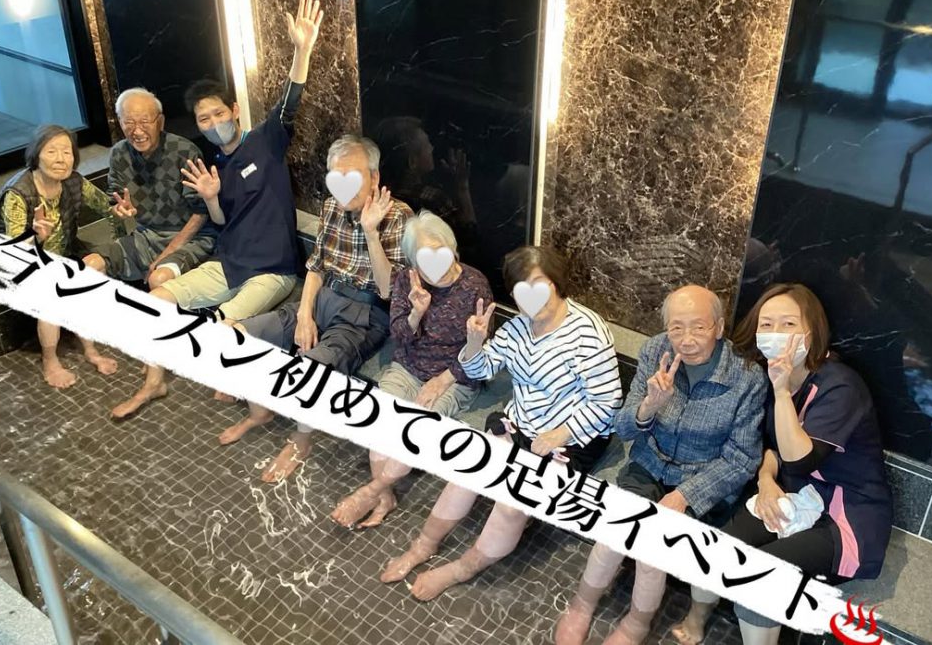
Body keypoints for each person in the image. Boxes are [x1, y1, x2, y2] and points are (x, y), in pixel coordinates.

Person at [108, 0, 323, 419]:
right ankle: (153, 383)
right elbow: (222, 221)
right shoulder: (212, 167)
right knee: (157, 298)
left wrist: (302, 49)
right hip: (229, 263)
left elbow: (291, 100)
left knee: (221, 329)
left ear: (235, 111)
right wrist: (210, 197)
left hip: (273, 270)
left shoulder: (264, 141)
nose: (212, 123)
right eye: (203, 119)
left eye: (218, 114)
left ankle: (256, 398)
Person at [380, 245, 623, 601]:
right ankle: (423, 545)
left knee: (511, 504)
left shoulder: (588, 332)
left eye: (540, 285)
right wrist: (474, 343)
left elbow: (608, 402)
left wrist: (560, 434)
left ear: (556, 283)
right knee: (469, 467)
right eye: (522, 290)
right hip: (520, 422)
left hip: (574, 436)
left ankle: (461, 568)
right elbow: (482, 369)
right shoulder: (518, 328)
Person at [671, 283, 893, 645]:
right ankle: (697, 618)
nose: (775, 333)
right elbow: (773, 449)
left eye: (788, 324)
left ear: (812, 331)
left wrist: (780, 390)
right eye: (767, 324)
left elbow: (800, 459)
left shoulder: (840, 387)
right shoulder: (775, 374)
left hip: (844, 517)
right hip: (792, 496)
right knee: (714, 548)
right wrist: (765, 481)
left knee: (759, 580)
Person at [555, 285, 768, 645]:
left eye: (699, 327)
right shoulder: (656, 350)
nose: (687, 339)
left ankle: (637, 623)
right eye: (676, 328)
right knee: (614, 531)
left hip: (700, 477)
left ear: (718, 327)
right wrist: (649, 406)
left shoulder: (746, 377)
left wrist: (684, 496)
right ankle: (582, 604)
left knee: (652, 546)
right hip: (649, 463)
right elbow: (623, 427)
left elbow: (742, 459)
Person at [220, 134, 412, 483]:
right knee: (233, 334)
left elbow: (388, 291)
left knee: (310, 367)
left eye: (353, 177)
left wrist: (371, 232)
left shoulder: (399, 217)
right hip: (323, 296)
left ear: (374, 177)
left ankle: (301, 440)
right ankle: (260, 412)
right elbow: (316, 267)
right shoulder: (331, 207)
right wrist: (304, 313)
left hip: (364, 312)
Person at [329, 211, 493, 528]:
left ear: (452, 248)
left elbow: (481, 353)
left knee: (417, 431)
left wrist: (441, 381)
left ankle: (370, 492)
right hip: (408, 366)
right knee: (379, 421)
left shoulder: (475, 286)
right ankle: (385, 498)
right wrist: (417, 313)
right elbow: (400, 336)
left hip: (454, 375)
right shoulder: (408, 279)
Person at [0, 125, 120, 387]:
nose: (60, 159)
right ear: (36, 156)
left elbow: (107, 206)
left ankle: (90, 350)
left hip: (61, 254)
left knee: (93, 270)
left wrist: (122, 211)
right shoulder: (18, 194)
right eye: (51, 151)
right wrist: (35, 236)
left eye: (67, 152)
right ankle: (50, 360)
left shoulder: (73, 181)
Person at [83, 87, 216, 288]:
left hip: (192, 238)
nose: (137, 131)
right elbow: (114, 201)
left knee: (158, 279)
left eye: (145, 122)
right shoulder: (119, 153)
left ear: (160, 122)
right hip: (147, 237)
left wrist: (167, 253)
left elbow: (201, 213)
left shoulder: (184, 151)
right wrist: (119, 210)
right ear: (119, 122)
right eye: (129, 122)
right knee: (89, 266)